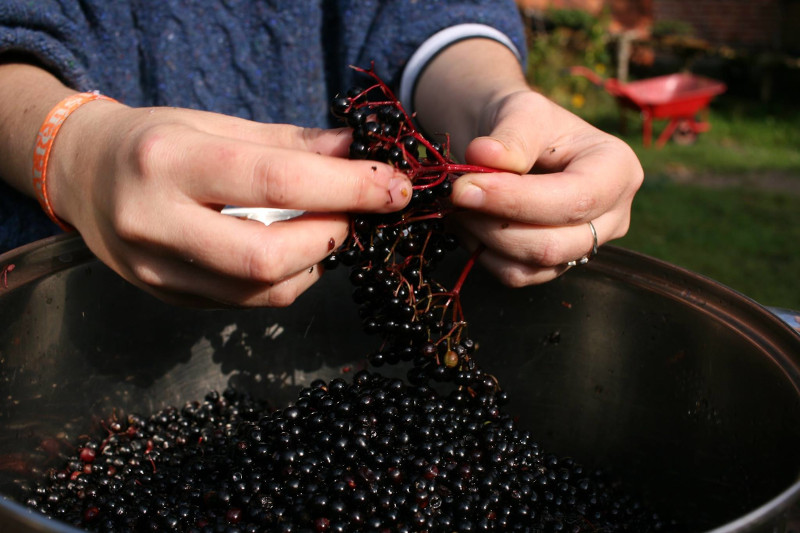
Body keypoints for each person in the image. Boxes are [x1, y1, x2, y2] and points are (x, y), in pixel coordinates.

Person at [0, 1, 643, 308]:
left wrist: (501, 107)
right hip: (48, 311)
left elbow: (421, 18)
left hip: (325, 306)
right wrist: (69, 147)